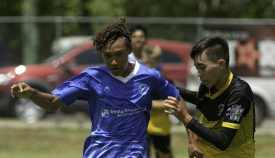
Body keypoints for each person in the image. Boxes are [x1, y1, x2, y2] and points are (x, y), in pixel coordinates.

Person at [11, 18, 183, 158]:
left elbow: (177, 98)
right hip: (99, 152)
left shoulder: (149, 76)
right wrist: (32, 93)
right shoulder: (91, 77)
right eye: (107, 56)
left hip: (133, 151)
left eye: (119, 55)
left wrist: (193, 138)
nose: (113, 62)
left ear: (129, 49)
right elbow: (53, 102)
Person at [164, 36, 255, 158]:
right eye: (197, 68)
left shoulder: (239, 94)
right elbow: (202, 100)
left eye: (202, 67)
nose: (198, 73)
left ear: (221, 64)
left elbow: (223, 141)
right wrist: (169, 89)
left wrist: (186, 117)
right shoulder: (208, 85)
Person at [142, 45, 173, 158]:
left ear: (158, 62)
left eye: (151, 62)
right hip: (143, 126)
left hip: (160, 128)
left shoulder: (164, 82)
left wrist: (149, 104)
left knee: (164, 155)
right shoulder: (139, 80)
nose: (147, 65)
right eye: (145, 62)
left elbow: (171, 103)